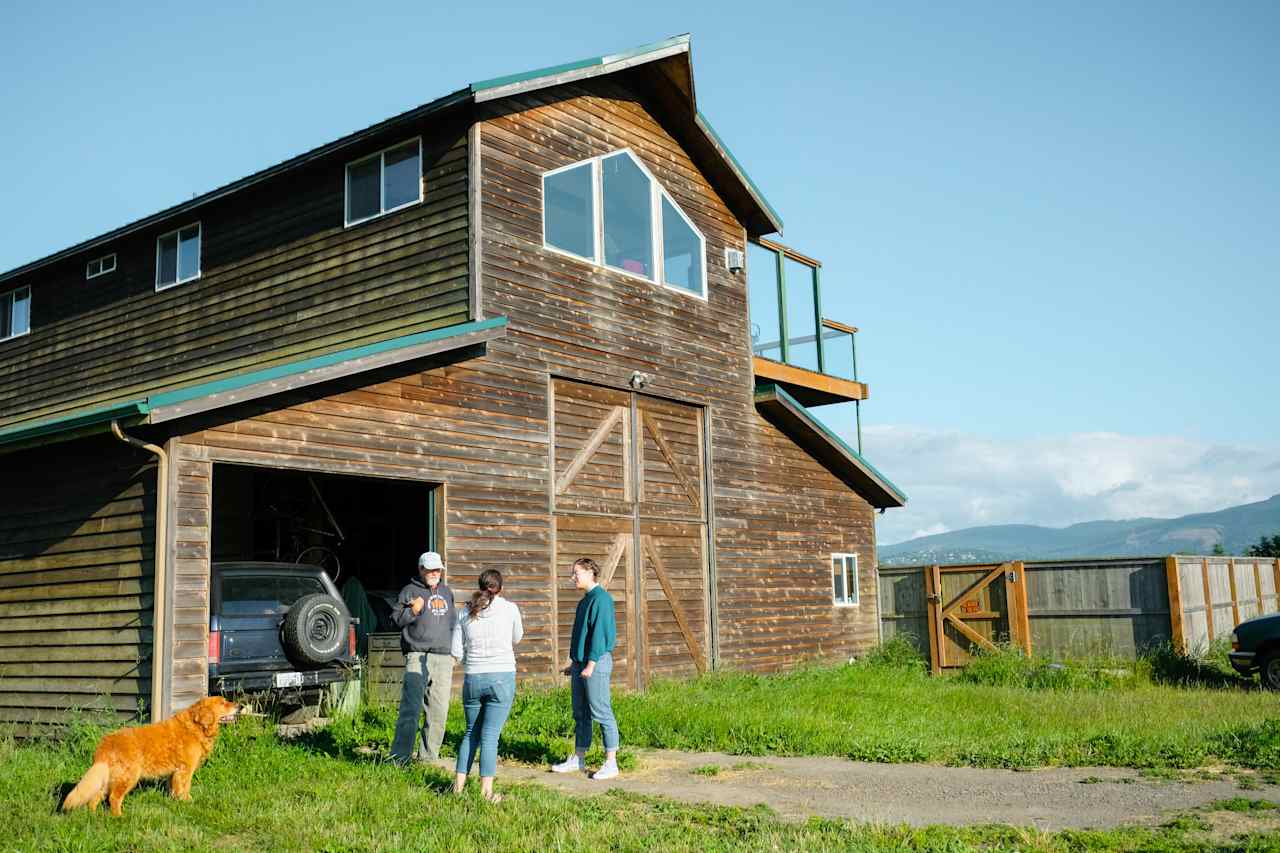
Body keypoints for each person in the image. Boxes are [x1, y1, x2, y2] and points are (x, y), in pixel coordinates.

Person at [451, 568, 523, 802]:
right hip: (501, 676)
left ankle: (458, 789)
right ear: (500, 588)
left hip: (473, 676)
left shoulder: (465, 611)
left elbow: (456, 650)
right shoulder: (510, 609)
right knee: (490, 736)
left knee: (471, 732)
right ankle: (486, 792)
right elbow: (517, 638)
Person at [551, 557, 620, 780]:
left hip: (596, 662)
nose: (573, 578)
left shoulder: (601, 599)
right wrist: (575, 662)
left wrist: (590, 664)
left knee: (601, 711)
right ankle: (579, 758)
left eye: (576, 573)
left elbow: (599, 635)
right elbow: (583, 634)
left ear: (590, 573)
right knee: (580, 713)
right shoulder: (585, 600)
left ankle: (611, 763)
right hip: (583, 663)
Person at [389, 551, 457, 764]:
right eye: (429, 569)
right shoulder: (408, 591)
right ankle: (399, 759)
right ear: (420, 569)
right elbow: (395, 621)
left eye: (437, 569)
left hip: (444, 658)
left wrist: (455, 653)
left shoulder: (447, 592)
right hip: (417, 654)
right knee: (411, 709)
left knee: (438, 711)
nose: (434, 573)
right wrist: (413, 612)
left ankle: (428, 759)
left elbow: (453, 623)